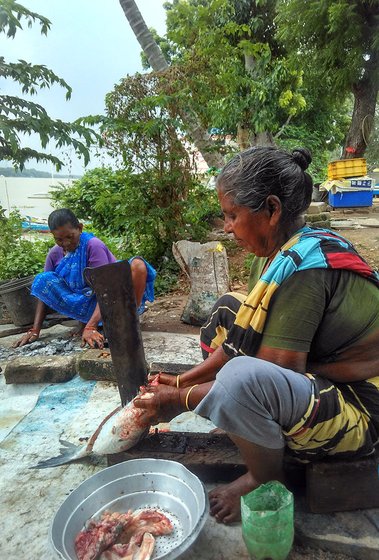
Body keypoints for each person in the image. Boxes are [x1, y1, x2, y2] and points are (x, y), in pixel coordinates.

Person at [133, 146, 379, 524]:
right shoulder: (281, 254)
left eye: (233, 215)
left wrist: (178, 398)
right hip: (326, 376)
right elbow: (239, 337)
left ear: (271, 208)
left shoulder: (305, 269)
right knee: (226, 310)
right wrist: (180, 381)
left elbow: (260, 371)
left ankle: (265, 475)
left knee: (239, 382)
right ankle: (249, 428)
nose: (227, 227)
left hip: (362, 408)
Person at [14, 208, 156, 349]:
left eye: (70, 237)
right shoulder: (54, 254)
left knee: (138, 265)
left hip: (111, 297)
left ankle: (128, 320)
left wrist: (91, 327)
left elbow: (106, 288)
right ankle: (86, 322)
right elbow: (44, 292)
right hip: (83, 302)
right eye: (59, 239)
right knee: (42, 279)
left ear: (80, 228)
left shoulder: (93, 245)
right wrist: (35, 330)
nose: (66, 243)